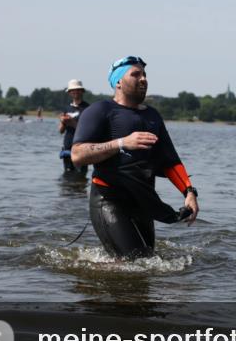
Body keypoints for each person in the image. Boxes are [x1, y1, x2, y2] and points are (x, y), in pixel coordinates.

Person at [71, 56, 199, 259]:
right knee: (135, 263)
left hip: (142, 202)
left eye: (145, 74)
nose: (143, 79)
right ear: (118, 82)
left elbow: (170, 161)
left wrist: (189, 192)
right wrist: (121, 143)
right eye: (136, 74)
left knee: (147, 260)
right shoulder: (100, 111)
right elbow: (77, 154)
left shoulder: (153, 116)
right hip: (109, 200)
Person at [58, 79, 90, 175]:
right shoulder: (66, 108)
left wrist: (72, 123)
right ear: (69, 92)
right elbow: (60, 131)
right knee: (67, 176)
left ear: (82, 91)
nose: (75, 92)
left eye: (77, 89)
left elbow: (88, 131)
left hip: (81, 147)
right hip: (67, 147)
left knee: (81, 176)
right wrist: (63, 122)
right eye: (72, 90)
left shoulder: (88, 108)